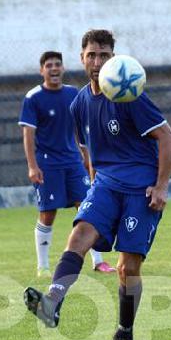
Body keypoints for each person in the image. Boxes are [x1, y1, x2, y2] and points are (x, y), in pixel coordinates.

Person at [23, 29, 171, 340]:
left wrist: (161, 186)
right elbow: (91, 152)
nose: (97, 62)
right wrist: (94, 183)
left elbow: (168, 139)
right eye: (91, 55)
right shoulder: (80, 103)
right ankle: (52, 302)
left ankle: (125, 333)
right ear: (81, 59)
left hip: (141, 190)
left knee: (128, 268)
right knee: (78, 235)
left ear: (114, 58)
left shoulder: (128, 95)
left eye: (104, 55)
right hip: (106, 185)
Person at [18, 51, 114, 277]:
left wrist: (86, 156)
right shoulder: (33, 98)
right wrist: (32, 165)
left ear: (62, 69)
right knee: (47, 214)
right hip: (47, 164)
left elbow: (80, 129)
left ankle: (98, 261)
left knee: (88, 208)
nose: (54, 68)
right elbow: (28, 134)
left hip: (73, 162)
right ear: (42, 70)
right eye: (49, 65)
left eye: (57, 65)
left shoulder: (73, 93)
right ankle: (43, 266)